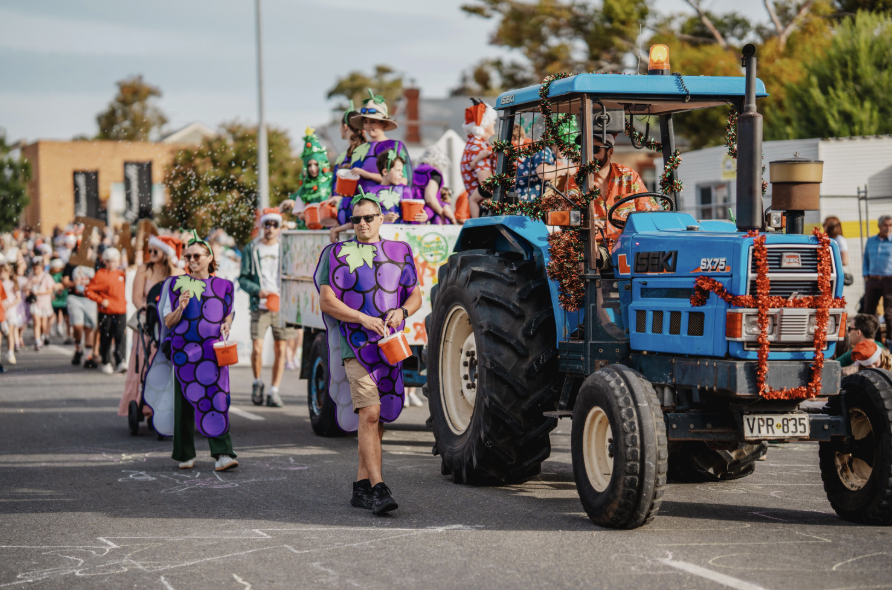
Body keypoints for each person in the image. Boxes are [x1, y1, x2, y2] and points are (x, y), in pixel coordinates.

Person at [315, 193, 422, 514]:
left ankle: (361, 485)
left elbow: (415, 295)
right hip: (355, 343)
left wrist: (402, 311)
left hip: (389, 345)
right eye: (357, 219)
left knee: (380, 414)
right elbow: (326, 300)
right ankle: (378, 487)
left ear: (381, 218)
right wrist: (362, 318)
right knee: (370, 411)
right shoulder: (335, 253)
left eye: (368, 218)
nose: (362, 223)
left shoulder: (399, 251)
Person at [160, 232, 238, 471]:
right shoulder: (173, 284)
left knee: (217, 400)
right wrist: (181, 308)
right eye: (188, 256)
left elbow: (229, 311)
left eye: (196, 255)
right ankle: (184, 453)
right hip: (184, 353)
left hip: (213, 352)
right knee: (184, 401)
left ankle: (223, 454)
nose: (191, 260)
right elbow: (168, 322)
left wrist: (227, 322)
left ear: (209, 257)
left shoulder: (225, 285)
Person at [119, 236, 185, 418]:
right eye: (151, 250)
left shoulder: (177, 272)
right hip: (149, 323)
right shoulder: (144, 269)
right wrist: (147, 312)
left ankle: (171, 404)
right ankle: (145, 404)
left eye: (157, 251)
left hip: (171, 324)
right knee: (147, 363)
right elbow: (136, 297)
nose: (152, 254)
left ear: (166, 253)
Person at [238, 208, 295, 407]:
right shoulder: (251, 249)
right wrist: (257, 290)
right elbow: (242, 279)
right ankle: (257, 381)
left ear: (280, 227)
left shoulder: (285, 248)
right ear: (262, 226)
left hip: (281, 305)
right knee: (257, 348)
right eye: (267, 224)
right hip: (259, 305)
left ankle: (274, 390)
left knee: (281, 348)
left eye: (274, 225)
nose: (270, 228)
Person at [585, 134, 660, 248]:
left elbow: (647, 211)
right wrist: (585, 225)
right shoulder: (575, 182)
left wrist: (647, 216)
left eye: (594, 149)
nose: (588, 155)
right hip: (593, 247)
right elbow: (566, 221)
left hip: (628, 245)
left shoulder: (628, 175)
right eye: (584, 149)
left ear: (610, 152)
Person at [348, 89, 413, 193]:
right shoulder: (358, 150)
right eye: (365, 121)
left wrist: (368, 175)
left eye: (373, 121)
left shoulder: (396, 146)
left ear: (383, 123)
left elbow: (404, 181)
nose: (368, 126)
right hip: (360, 206)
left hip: (387, 207)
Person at [85, 247, 127, 375]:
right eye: (110, 261)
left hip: (121, 310)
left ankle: (120, 361)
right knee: (106, 337)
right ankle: (106, 361)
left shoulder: (122, 274)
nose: (113, 264)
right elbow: (88, 290)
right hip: (106, 311)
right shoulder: (100, 274)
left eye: (115, 261)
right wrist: (101, 300)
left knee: (120, 336)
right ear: (105, 261)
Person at [460, 99, 497, 218]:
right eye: (492, 120)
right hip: (485, 212)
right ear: (484, 124)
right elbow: (487, 184)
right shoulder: (478, 147)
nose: (495, 122)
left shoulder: (476, 144)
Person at [290, 127, 333, 229]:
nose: (312, 168)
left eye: (315, 164)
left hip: (329, 231)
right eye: (309, 165)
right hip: (310, 233)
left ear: (322, 164)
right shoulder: (304, 188)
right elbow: (298, 213)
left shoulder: (332, 182)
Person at [62, 249, 99, 369]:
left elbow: (100, 280)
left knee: (89, 327)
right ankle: (78, 347)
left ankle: (88, 356)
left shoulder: (94, 263)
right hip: (75, 297)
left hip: (90, 298)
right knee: (77, 326)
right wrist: (74, 284)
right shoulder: (71, 263)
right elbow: (65, 281)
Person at [862, 215, 892, 346]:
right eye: (885, 225)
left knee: (889, 312)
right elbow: (866, 259)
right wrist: (866, 275)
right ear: (879, 226)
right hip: (873, 279)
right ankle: (875, 341)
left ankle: (890, 342)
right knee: (869, 311)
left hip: (889, 280)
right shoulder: (871, 241)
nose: (888, 228)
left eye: (890, 225)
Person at [412, 146, 457, 225]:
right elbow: (430, 198)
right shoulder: (434, 173)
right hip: (424, 215)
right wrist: (441, 212)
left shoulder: (414, 170)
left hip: (411, 212)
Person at [27, 256, 56, 351]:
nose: (36, 270)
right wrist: (31, 283)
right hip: (35, 302)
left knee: (43, 324)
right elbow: (25, 288)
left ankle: (43, 336)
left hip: (45, 303)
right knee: (36, 322)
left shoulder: (46, 276)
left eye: (38, 268)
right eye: (34, 268)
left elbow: (50, 290)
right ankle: (37, 341)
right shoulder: (31, 276)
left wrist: (39, 292)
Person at [49, 258, 68, 341]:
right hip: (54, 299)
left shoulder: (62, 275)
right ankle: (49, 329)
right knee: (52, 315)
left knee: (63, 314)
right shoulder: (51, 276)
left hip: (62, 298)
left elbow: (64, 283)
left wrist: (60, 287)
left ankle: (60, 326)